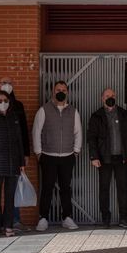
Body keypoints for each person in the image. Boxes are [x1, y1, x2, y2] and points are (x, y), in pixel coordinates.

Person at [32, 80, 82, 231]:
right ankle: (43, 218)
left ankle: (67, 217)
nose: (61, 92)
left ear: (67, 92)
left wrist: (76, 151)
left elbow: (78, 132)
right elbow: (36, 132)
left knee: (65, 188)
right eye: (58, 89)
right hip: (48, 155)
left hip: (68, 156)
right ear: (53, 92)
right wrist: (39, 152)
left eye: (64, 90)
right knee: (47, 187)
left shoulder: (73, 111)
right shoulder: (44, 110)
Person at [0, 77, 30, 231]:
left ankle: (9, 224)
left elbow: (22, 136)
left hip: (13, 161)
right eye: (3, 82)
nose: (3, 102)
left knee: (10, 196)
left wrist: (23, 157)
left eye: (10, 82)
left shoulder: (16, 111)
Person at [87, 88, 127, 229]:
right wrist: (94, 156)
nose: (111, 98)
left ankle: (124, 218)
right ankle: (106, 219)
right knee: (104, 189)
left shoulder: (124, 114)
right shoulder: (96, 116)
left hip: (122, 158)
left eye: (113, 96)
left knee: (122, 189)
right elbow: (91, 138)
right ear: (102, 98)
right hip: (104, 159)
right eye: (107, 96)